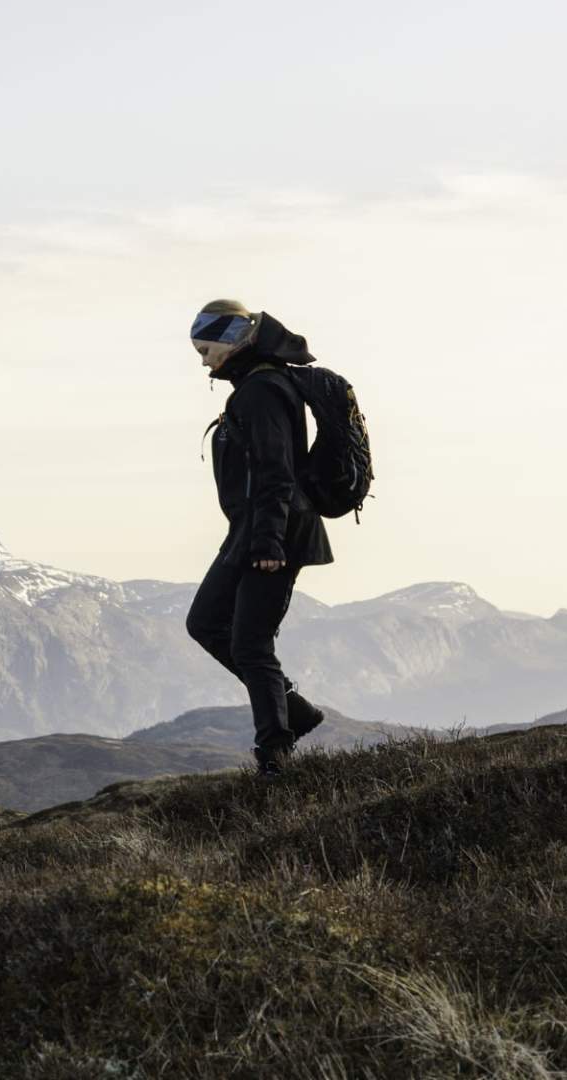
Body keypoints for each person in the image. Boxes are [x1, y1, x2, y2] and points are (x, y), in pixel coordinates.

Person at [184, 299, 333, 777]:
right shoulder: (254, 385)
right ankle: (296, 710)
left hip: (276, 532)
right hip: (252, 531)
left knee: (251, 644)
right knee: (206, 622)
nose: (204, 361)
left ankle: (275, 753)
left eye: (206, 349)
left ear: (230, 341)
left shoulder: (263, 390)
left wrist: (268, 544)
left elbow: (275, 471)